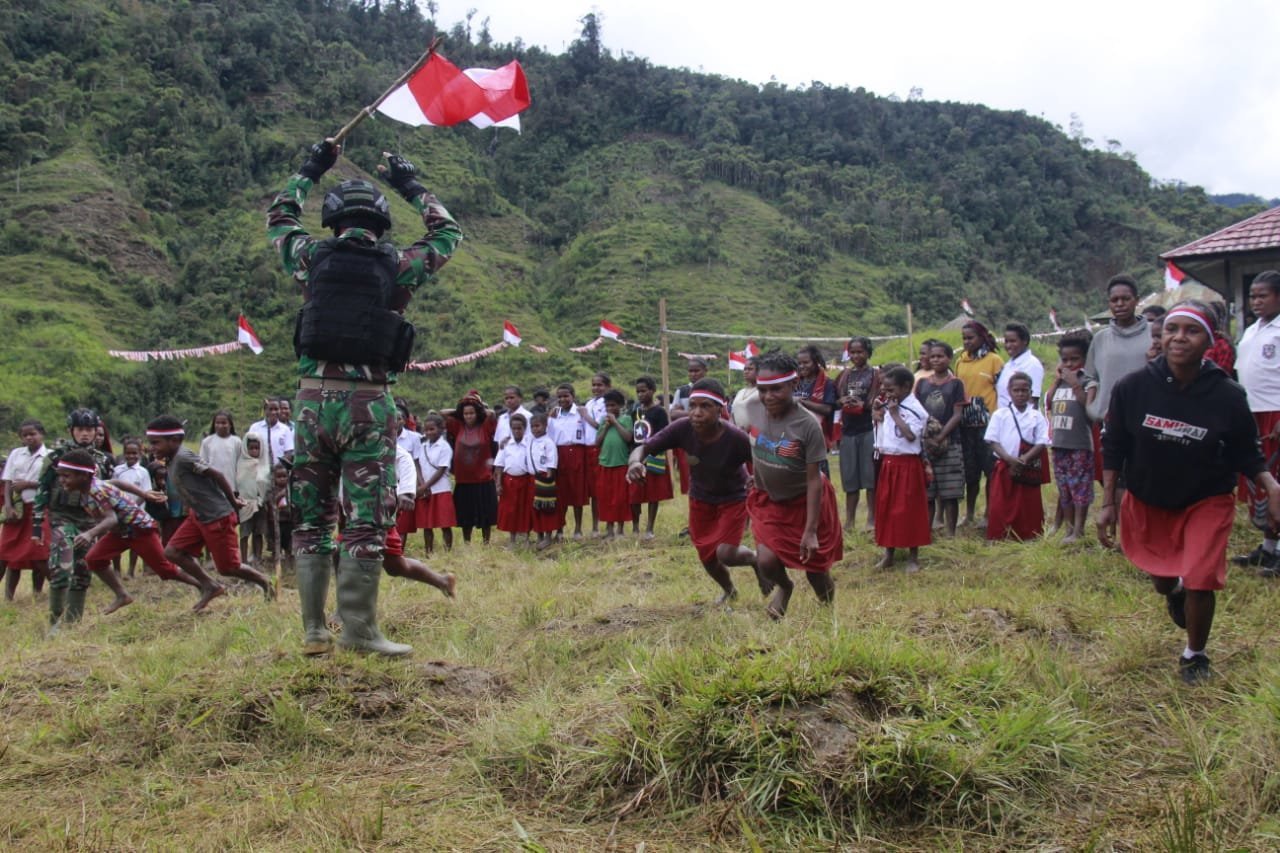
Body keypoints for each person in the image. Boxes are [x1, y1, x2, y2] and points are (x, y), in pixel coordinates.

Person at [268, 138, 461, 657]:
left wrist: (312, 165)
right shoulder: (399, 265)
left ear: (332, 220)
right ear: (380, 222)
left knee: (310, 517)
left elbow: (281, 214)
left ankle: (313, 632)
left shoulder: (308, 256)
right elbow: (447, 232)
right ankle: (359, 632)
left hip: (310, 402)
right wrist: (409, 182)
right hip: (369, 404)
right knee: (365, 521)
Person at [1099, 301, 1280, 684]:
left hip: (1206, 498)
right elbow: (1114, 445)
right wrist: (1108, 502)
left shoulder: (1228, 395)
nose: (1180, 337)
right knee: (1164, 579)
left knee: (1201, 577)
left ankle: (1194, 654)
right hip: (1149, 499)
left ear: (1209, 341)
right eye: (1172, 329)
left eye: (1191, 330)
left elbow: (1247, 452)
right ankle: (1174, 590)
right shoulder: (1133, 387)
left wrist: (1271, 486)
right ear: (1161, 337)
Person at [628, 378, 758, 604]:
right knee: (707, 557)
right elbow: (643, 448)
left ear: (720, 409)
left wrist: (758, 479)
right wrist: (634, 464)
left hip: (733, 498)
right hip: (700, 499)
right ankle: (729, 591)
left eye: (705, 406)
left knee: (726, 553)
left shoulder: (736, 438)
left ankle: (756, 561)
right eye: (693, 406)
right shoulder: (681, 428)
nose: (696, 413)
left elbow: (761, 463)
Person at [50, 449, 225, 616]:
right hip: (121, 533)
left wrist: (89, 534)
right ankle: (122, 595)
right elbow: (117, 482)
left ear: (84, 475)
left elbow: (111, 519)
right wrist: (144, 494)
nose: (62, 480)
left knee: (165, 570)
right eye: (60, 475)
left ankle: (206, 584)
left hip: (139, 530)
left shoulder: (96, 491)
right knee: (94, 560)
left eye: (66, 476)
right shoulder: (90, 486)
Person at [745, 352, 843, 619]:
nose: (768, 397)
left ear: (794, 384)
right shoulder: (753, 408)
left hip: (806, 503)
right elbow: (749, 443)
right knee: (765, 560)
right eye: (762, 389)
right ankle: (785, 587)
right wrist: (753, 475)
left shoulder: (808, 425)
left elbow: (814, 480)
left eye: (776, 389)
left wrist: (810, 530)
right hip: (770, 501)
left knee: (816, 571)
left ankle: (827, 613)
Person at [146, 416, 275, 601]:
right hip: (198, 516)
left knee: (228, 568)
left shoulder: (184, 457)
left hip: (217, 516)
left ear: (174, 441)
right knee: (172, 552)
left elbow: (217, 475)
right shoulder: (171, 459)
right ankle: (210, 585)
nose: (151, 448)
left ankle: (266, 582)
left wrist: (233, 501)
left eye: (155, 443)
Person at [32, 408, 115, 627]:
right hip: (62, 517)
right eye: (80, 429)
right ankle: (55, 621)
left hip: (90, 521)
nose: (85, 434)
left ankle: (72, 624)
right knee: (61, 569)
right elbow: (43, 489)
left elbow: (110, 491)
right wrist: (37, 524)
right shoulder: (56, 457)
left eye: (89, 429)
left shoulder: (103, 460)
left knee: (82, 572)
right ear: (71, 431)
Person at [1233, 270, 1280, 572]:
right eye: (1252, 296)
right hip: (1252, 413)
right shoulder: (1251, 330)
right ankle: (1268, 548)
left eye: (1263, 295)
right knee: (1259, 482)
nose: (1256, 301)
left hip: (1276, 413)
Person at [873, 366, 931, 571]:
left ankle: (913, 557)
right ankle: (888, 553)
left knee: (909, 509)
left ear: (906, 387)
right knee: (887, 507)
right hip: (889, 462)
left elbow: (910, 435)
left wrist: (895, 414)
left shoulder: (914, 409)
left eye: (891, 390)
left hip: (908, 464)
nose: (887, 394)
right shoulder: (892, 405)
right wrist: (879, 412)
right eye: (885, 390)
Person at [382, 441, 455, 598]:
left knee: (392, 563)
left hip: (376, 508)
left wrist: (406, 492)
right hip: (351, 506)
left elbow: (404, 458)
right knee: (392, 564)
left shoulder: (375, 429)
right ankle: (442, 581)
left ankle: (350, 612)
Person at [985, 373, 1049, 541]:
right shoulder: (1000, 414)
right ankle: (999, 535)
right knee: (1000, 504)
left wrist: (1025, 459)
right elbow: (992, 440)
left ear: (1030, 392)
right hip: (1005, 465)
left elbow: (1042, 441)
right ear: (1009, 391)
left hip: (1027, 467)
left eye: (1024, 390)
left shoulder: (1036, 416)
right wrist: (1009, 459)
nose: (1020, 394)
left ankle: (1028, 535)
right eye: (1016, 390)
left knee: (1028, 505)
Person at [1045, 331, 1095, 543]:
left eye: (1075, 359)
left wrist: (1075, 383)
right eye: (1065, 359)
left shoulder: (1088, 381)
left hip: (1080, 444)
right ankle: (1068, 528)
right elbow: (1048, 401)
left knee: (1080, 488)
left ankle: (1079, 530)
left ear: (1085, 359)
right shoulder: (1060, 382)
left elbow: (1090, 408)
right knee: (1064, 488)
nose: (1069, 363)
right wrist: (1057, 380)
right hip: (1059, 443)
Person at [954, 321, 1004, 527]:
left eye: (971, 337)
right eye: (964, 338)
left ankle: (989, 515)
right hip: (965, 426)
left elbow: (1003, 392)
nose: (967, 342)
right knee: (970, 473)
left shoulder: (994, 361)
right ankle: (970, 514)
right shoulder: (960, 362)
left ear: (982, 337)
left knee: (990, 472)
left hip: (988, 425)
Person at [915, 342, 965, 537]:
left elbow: (957, 414)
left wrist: (941, 436)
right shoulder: (922, 384)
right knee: (928, 492)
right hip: (926, 443)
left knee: (950, 492)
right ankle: (926, 532)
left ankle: (951, 533)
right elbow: (918, 412)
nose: (935, 360)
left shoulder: (956, 384)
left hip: (950, 442)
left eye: (940, 356)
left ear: (949, 358)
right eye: (933, 356)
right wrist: (927, 439)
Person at [1, 419, 49, 601]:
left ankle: (44, 591)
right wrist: (8, 505)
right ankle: (8, 598)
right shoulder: (15, 454)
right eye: (25, 435)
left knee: (38, 552)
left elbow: (53, 483)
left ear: (42, 434)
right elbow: (8, 481)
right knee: (8, 552)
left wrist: (28, 483)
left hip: (38, 508)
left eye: (33, 434)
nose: (29, 438)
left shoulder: (50, 456)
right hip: (17, 510)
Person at [835, 336, 880, 530]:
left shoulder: (876, 374)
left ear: (868, 352)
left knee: (870, 476)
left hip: (868, 428)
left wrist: (866, 405)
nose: (856, 356)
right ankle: (850, 521)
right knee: (850, 477)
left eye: (860, 352)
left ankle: (872, 519)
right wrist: (843, 401)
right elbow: (834, 400)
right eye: (852, 352)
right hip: (848, 430)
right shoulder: (844, 375)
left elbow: (880, 398)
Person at [446, 394, 499, 545]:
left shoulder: (485, 427)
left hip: (483, 478)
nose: (469, 416)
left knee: (486, 515)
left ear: (478, 413)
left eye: (472, 413)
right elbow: (443, 413)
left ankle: (486, 542)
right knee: (465, 515)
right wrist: (462, 406)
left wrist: (477, 403)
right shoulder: (458, 427)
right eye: (466, 413)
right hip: (463, 480)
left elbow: (492, 414)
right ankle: (467, 542)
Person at [628, 376, 673, 539]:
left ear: (653, 391)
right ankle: (635, 528)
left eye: (644, 391)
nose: (640, 394)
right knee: (634, 493)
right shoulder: (635, 412)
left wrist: (652, 451)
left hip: (654, 456)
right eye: (638, 391)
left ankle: (649, 528)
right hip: (636, 456)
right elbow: (634, 435)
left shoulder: (659, 412)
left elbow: (664, 434)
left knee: (653, 494)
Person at [550, 383, 589, 539]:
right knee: (561, 493)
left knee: (577, 491)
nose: (563, 399)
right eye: (559, 397)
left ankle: (578, 529)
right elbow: (549, 436)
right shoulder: (554, 415)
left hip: (577, 453)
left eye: (566, 396)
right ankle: (559, 529)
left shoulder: (580, 413)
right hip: (559, 454)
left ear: (573, 396)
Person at [594, 390, 633, 540]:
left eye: (613, 405)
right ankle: (609, 529)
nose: (610, 409)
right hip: (605, 464)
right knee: (606, 498)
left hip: (621, 464)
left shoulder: (626, 419)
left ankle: (620, 530)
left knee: (620, 498)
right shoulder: (604, 421)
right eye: (607, 406)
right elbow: (597, 442)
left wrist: (615, 423)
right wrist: (605, 426)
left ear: (621, 406)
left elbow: (628, 437)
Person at [111, 438, 152, 577]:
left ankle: (131, 570)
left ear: (140, 453)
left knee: (134, 541)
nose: (131, 456)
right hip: (119, 511)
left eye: (134, 453)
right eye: (128, 453)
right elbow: (112, 490)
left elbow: (145, 492)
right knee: (117, 538)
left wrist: (132, 507)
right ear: (123, 454)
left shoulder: (143, 472)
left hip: (137, 511)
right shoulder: (117, 471)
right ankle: (116, 569)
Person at [669, 358, 710, 495]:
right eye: (690, 371)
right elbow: (673, 413)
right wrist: (695, 414)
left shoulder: (712, 389)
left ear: (705, 371)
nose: (693, 374)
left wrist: (684, 413)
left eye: (696, 370)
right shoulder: (682, 391)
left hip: (708, 437)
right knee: (688, 476)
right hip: (687, 437)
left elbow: (714, 414)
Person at [578, 373, 612, 536]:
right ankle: (594, 526)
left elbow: (600, 425)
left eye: (600, 385)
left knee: (601, 489)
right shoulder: (589, 403)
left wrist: (585, 415)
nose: (596, 388)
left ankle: (606, 524)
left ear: (607, 386)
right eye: (594, 385)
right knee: (592, 491)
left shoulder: (608, 404)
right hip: (586, 449)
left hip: (599, 448)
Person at [494, 413, 535, 546]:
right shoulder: (505, 444)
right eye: (514, 428)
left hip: (526, 480)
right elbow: (499, 465)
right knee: (510, 510)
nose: (517, 431)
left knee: (526, 508)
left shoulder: (530, 443)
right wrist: (498, 483)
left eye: (519, 428)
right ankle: (512, 538)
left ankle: (526, 538)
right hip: (509, 481)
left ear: (524, 428)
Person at [417, 414, 456, 554]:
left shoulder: (445, 447)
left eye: (432, 429)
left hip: (441, 489)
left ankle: (447, 552)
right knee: (427, 526)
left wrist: (425, 486)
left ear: (440, 429)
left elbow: (441, 469)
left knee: (444, 524)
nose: (428, 433)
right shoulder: (423, 447)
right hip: (425, 491)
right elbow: (418, 466)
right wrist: (421, 485)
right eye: (426, 430)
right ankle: (429, 552)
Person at [795, 344, 838, 455]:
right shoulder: (794, 383)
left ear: (816, 362)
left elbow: (827, 409)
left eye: (806, 363)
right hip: (795, 434)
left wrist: (802, 402)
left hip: (817, 435)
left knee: (817, 470)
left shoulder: (827, 383)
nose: (802, 366)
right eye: (799, 363)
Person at [236, 432, 270, 566]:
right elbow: (239, 483)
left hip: (261, 505)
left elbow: (266, 484)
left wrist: (263, 499)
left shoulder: (265, 466)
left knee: (258, 533)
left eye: (257, 448)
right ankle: (243, 560)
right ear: (246, 448)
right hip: (245, 503)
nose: (254, 451)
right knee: (244, 533)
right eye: (251, 448)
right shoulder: (240, 465)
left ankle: (257, 557)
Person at [527, 412, 559, 550]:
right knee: (536, 507)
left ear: (545, 426)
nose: (535, 429)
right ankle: (539, 535)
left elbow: (551, 463)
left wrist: (549, 480)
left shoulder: (548, 442)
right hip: (532, 478)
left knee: (546, 507)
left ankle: (547, 536)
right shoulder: (531, 441)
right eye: (532, 426)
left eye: (538, 426)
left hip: (544, 477)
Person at [996, 323, 1044, 408]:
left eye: (1012, 341)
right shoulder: (1008, 365)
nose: (1008, 345)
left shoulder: (1032, 364)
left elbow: (1033, 401)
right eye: (1006, 341)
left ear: (1024, 341)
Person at [199, 410, 242, 489]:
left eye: (223, 423)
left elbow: (240, 465)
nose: (220, 426)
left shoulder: (237, 441)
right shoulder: (207, 442)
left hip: (231, 485)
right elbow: (202, 464)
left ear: (230, 425)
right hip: (212, 485)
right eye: (217, 423)